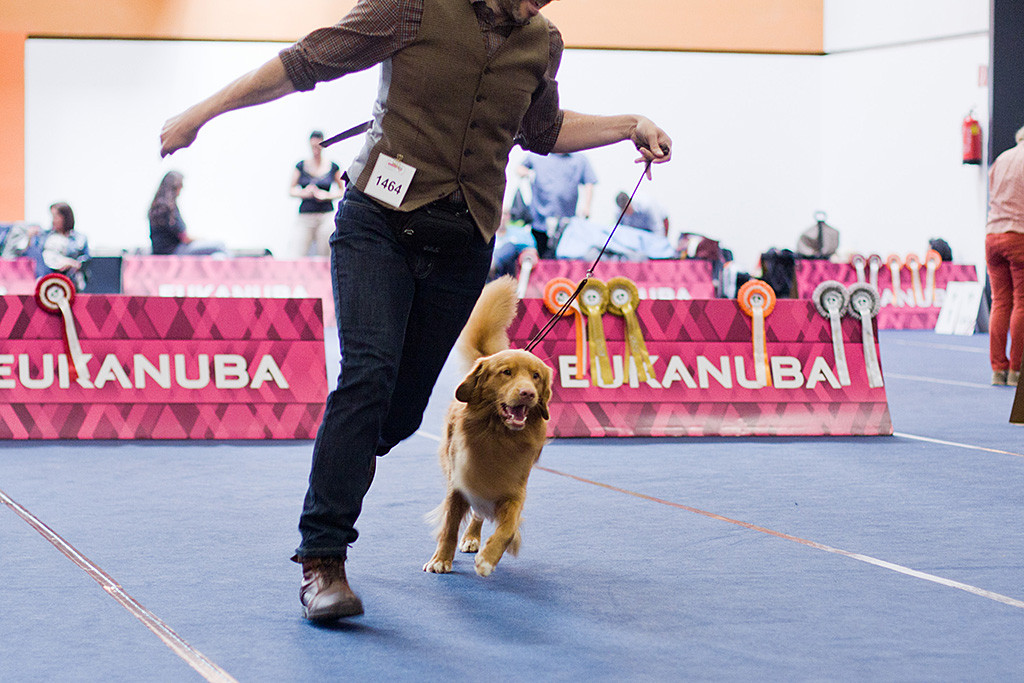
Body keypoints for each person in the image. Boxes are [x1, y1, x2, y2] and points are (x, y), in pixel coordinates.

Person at [160, 0, 672, 623]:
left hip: (463, 244)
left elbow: (540, 131)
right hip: (378, 226)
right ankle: (323, 557)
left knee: (399, 416)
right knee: (367, 377)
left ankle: (343, 447)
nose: (540, 2)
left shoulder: (541, 41)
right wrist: (201, 113)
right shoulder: (412, 7)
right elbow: (304, 62)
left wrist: (630, 124)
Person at [985, 124, 1024, 386]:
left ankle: (998, 369)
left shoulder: (1002, 158)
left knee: (1000, 302)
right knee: (1021, 302)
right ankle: (1016, 371)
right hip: (1018, 235)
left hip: (992, 235)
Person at [517, 150, 597, 257]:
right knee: (540, 259)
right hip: (540, 221)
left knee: (563, 259)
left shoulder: (579, 159)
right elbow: (519, 168)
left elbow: (589, 183)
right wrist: (529, 174)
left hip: (566, 223)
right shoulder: (537, 154)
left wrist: (587, 206)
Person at [289, 130, 345, 257]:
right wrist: (305, 192)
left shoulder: (333, 167)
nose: (316, 149)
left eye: (318, 146)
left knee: (326, 252)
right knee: (297, 251)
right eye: (313, 146)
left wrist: (326, 195)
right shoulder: (301, 165)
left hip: (325, 215)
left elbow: (342, 190)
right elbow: (291, 190)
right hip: (305, 216)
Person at [148, 171, 227, 256]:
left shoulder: (156, 208)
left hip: (161, 252)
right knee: (220, 245)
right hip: (176, 251)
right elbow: (185, 237)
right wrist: (202, 239)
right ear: (175, 187)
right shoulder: (169, 209)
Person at [38, 202, 89, 289]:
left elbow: (86, 259)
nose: (53, 221)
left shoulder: (80, 239)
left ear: (65, 217)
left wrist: (74, 264)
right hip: (49, 283)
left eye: (56, 217)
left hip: (72, 284)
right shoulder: (45, 237)